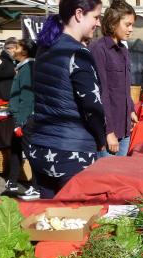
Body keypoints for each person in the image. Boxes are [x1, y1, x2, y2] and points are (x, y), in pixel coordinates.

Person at [22, 0, 106, 199]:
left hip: (40, 148)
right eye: (95, 16)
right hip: (71, 153)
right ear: (79, 14)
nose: (99, 23)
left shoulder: (45, 49)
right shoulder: (78, 53)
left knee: (49, 219)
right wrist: (101, 138)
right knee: (74, 219)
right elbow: (92, 106)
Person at [89, 0, 137, 157]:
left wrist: (130, 110)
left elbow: (124, 87)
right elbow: (100, 93)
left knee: (120, 176)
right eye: (127, 24)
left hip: (124, 128)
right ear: (113, 23)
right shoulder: (98, 49)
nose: (131, 29)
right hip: (108, 131)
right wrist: (108, 131)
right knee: (106, 178)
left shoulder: (123, 50)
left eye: (132, 25)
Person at [6, 38, 39, 199]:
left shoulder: (27, 69)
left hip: (25, 119)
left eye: (17, 47)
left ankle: (37, 186)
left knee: (30, 152)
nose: (13, 50)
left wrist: (20, 122)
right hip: (22, 117)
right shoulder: (24, 67)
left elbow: (27, 97)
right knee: (16, 148)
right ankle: (12, 180)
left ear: (24, 52)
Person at [0, 37, 17, 101]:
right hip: (3, 95)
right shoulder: (1, 59)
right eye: (16, 48)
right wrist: (14, 71)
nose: (17, 50)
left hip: (9, 94)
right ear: (9, 48)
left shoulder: (14, 59)